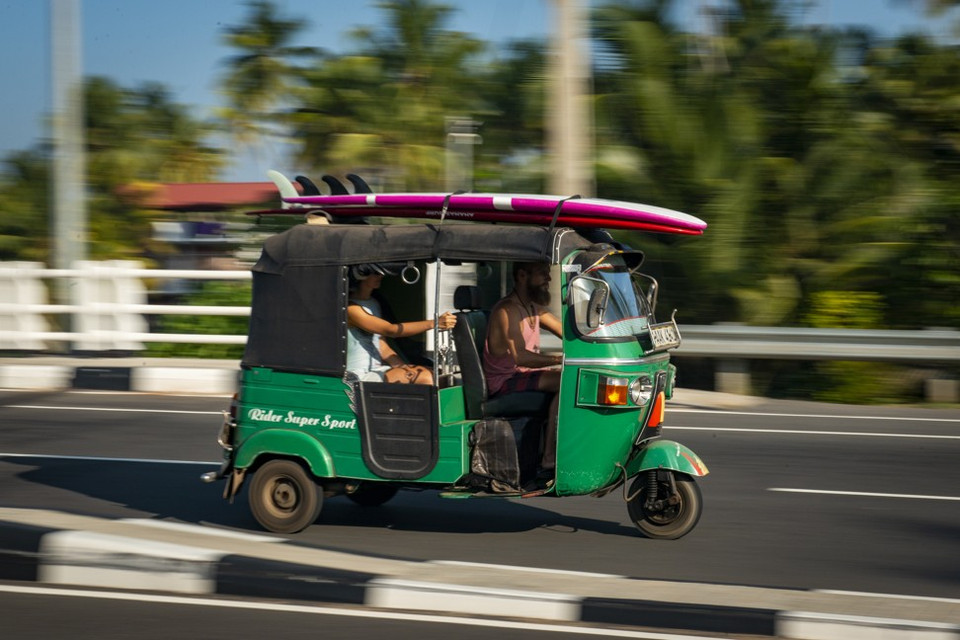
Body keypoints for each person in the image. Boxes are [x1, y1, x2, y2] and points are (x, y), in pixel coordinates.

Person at [483, 262, 562, 484]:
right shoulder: (507, 310)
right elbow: (521, 356)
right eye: (542, 272)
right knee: (567, 380)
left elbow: (568, 333)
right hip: (505, 380)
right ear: (522, 275)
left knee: (574, 377)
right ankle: (549, 459)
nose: (548, 278)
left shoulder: (533, 308)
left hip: (522, 375)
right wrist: (560, 359)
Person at [347, 264, 456, 384]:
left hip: (377, 369)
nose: (381, 276)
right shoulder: (351, 309)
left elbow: (381, 345)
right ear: (361, 276)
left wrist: (402, 366)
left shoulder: (373, 303)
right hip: (358, 375)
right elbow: (391, 330)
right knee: (427, 378)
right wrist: (435, 323)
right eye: (376, 273)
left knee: (436, 374)